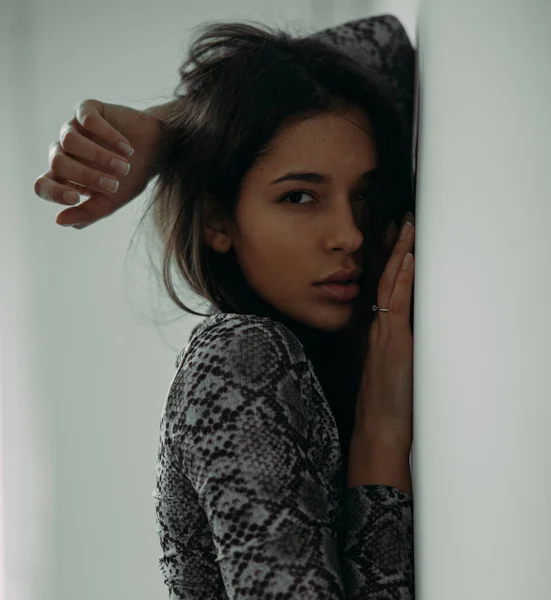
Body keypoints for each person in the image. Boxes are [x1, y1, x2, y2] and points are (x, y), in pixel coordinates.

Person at [35, 15, 417, 599]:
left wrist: (167, 130)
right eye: (300, 197)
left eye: (362, 195)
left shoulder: (296, 355)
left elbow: (389, 45)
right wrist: (381, 435)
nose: (349, 235)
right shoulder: (241, 356)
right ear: (218, 219)